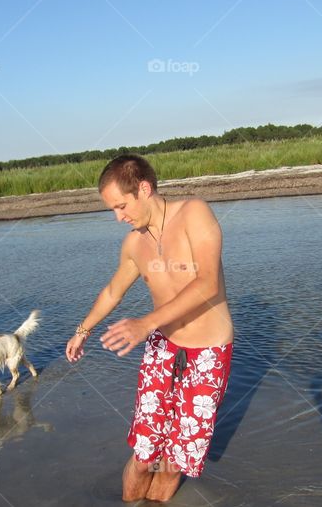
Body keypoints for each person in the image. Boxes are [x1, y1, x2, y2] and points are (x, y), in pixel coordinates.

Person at [66, 154, 235, 502]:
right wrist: (82, 330)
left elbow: (207, 284)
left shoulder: (194, 213)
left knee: (172, 463)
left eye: (121, 206)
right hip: (163, 349)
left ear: (144, 188)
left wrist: (146, 323)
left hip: (207, 353)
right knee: (144, 458)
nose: (118, 217)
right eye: (112, 210)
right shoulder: (133, 243)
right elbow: (113, 291)